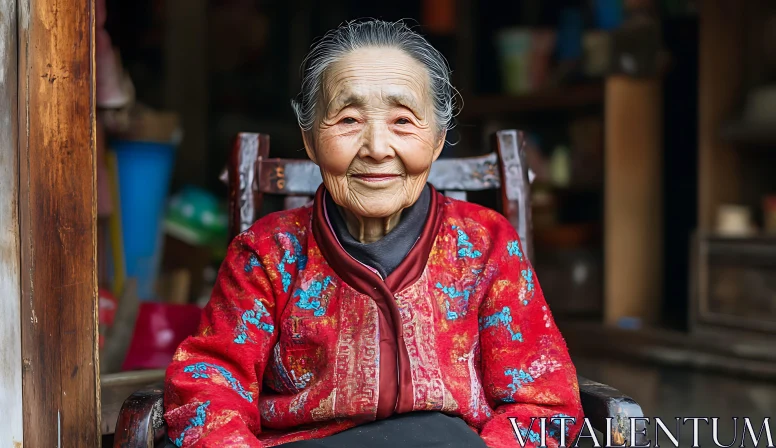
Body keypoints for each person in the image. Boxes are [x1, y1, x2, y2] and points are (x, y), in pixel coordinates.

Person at [164, 19, 584, 448]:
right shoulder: (267, 253)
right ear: (310, 140)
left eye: (403, 120)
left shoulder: (485, 243)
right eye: (348, 119)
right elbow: (209, 386)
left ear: (438, 140)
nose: (377, 147)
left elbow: (543, 404)